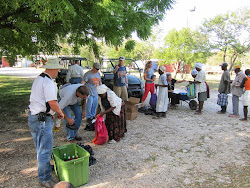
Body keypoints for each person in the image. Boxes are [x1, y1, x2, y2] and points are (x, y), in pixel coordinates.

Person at [28, 57, 64, 188]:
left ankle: (45, 171)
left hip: (34, 117)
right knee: (45, 150)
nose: (58, 72)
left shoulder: (38, 79)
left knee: (40, 148)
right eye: (58, 70)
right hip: (42, 120)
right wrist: (60, 112)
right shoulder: (49, 82)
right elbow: (52, 102)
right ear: (54, 69)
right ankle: (44, 178)